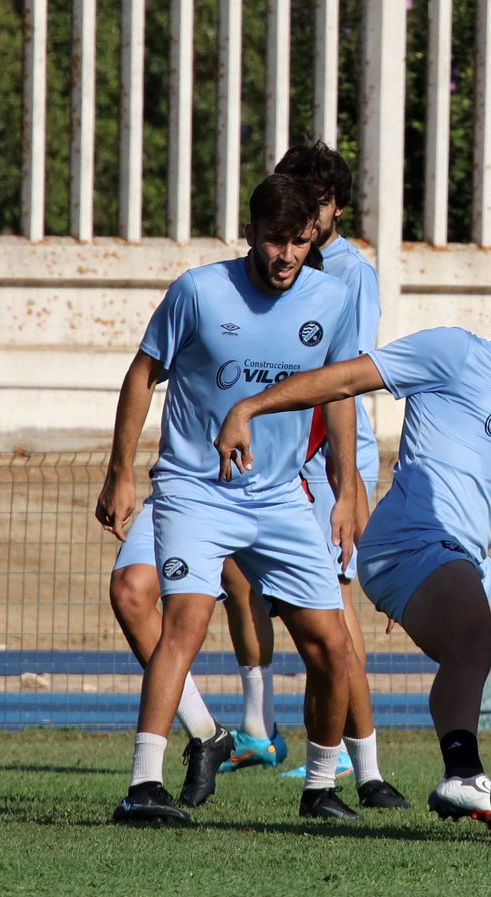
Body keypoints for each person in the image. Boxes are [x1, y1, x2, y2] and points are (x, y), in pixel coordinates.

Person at [214, 261, 491, 832]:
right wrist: (249, 406)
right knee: (473, 632)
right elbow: (345, 379)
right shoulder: (454, 353)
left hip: (461, 559)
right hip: (406, 544)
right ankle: (461, 773)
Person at [96, 174, 377, 824]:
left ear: (315, 239)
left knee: (332, 645)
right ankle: (143, 785)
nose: (285, 256)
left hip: (280, 497)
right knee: (184, 624)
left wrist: (346, 490)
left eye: (299, 242)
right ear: (250, 233)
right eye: (275, 240)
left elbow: (338, 392)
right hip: (195, 490)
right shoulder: (199, 290)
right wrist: (121, 471)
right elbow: (142, 373)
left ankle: (321, 787)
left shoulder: (331, 300)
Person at [250, 144, 406, 809]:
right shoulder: (275, 268)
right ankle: (273, 731)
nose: (307, 219)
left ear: (335, 205)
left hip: (327, 462)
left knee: (335, 624)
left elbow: (343, 379)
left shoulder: (345, 275)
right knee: (269, 605)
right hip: (281, 457)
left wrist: (351, 483)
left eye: (318, 202)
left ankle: (354, 766)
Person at [106, 503, 286, 810]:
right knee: (129, 592)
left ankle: (353, 770)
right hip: (181, 486)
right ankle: (205, 734)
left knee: (242, 583)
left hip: (255, 491)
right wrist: (120, 473)